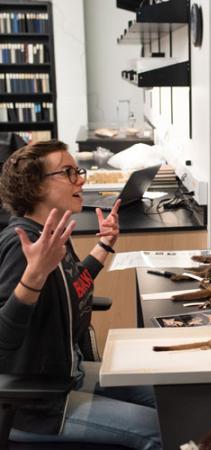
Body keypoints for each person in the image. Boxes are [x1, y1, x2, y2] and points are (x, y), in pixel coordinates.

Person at [0, 140, 160, 449]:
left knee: (164, 395)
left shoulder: (52, 233)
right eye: (69, 172)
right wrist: (33, 277)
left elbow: (74, 285)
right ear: (35, 187)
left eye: (79, 171)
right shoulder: (21, 247)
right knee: (158, 429)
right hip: (38, 405)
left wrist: (105, 246)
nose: (81, 179)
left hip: (66, 372)